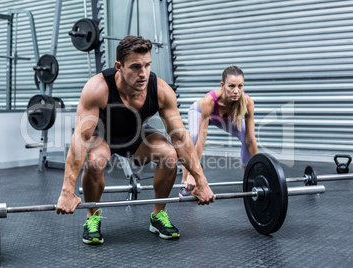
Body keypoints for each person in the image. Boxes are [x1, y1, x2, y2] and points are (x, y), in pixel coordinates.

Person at [56, 35, 215, 245]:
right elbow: (81, 138)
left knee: (169, 154)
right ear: (118, 66)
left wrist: (201, 181)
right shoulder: (97, 88)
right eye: (135, 67)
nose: (143, 74)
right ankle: (92, 217)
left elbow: (179, 136)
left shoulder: (161, 91)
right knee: (95, 161)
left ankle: (158, 215)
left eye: (147, 65)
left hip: (136, 136)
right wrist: (67, 191)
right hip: (102, 135)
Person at [179, 66, 258, 197]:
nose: (236, 91)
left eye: (240, 86)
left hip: (224, 119)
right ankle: (186, 181)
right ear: (222, 85)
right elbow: (201, 140)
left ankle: (250, 179)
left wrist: (259, 170)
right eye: (231, 86)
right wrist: (195, 174)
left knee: (245, 137)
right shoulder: (209, 100)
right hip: (199, 112)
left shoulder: (247, 102)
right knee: (194, 136)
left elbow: (251, 140)